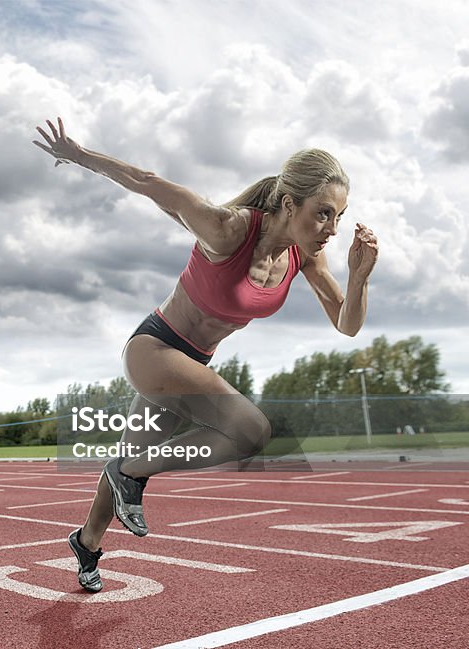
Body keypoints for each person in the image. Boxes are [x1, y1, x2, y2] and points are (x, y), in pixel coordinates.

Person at [32, 118, 378, 592]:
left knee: (130, 462)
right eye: (323, 213)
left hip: (191, 365)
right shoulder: (227, 230)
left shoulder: (304, 257)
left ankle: (87, 542)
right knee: (250, 430)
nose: (332, 229)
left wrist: (359, 278)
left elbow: (348, 323)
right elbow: (150, 184)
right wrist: (79, 154)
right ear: (288, 203)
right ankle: (128, 472)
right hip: (154, 350)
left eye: (339, 216)